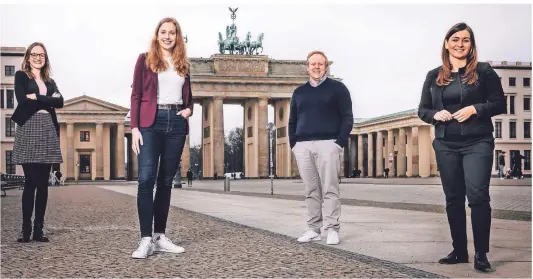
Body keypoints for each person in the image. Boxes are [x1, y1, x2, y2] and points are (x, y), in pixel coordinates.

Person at [417, 23, 506, 272]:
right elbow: (422, 110)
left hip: (478, 141)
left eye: (466, 40)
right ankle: (459, 251)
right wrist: (436, 114)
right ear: (446, 43)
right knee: (453, 198)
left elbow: (499, 103)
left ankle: (481, 254)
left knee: (478, 195)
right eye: (455, 39)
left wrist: (476, 108)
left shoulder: (484, 71)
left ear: (471, 44)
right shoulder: (433, 75)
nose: (460, 44)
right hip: (446, 143)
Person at [130, 17, 193, 259]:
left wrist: (188, 110)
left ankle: (159, 236)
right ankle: (145, 239)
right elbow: (136, 94)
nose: (168, 36)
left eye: (172, 33)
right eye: (163, 32)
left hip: (176, 122)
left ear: (177, 37)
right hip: (150, 122)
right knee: (146, 180)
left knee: (166, 181)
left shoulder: (182, 64)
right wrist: (134, 127)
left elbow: (189, 97)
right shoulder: (144, 60)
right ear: (157, 35)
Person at [289, 50, 353, 245]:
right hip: (303, 146)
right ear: (307, 67)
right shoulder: (299, 92)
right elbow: (292, 120)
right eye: (312, 64)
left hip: (328, 144)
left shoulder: (338, 88)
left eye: (320, 64)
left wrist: (339, 142)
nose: (316, 67)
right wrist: (294, 144)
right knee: (311, 190)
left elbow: (347, 117)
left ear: (326, 67)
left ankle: (332, 228)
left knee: (330, 189)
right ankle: (313, 229)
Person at [11, 42, 63, 243]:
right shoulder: (21, 76)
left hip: (48, 129)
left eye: (42, 55)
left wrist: (38, 97)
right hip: (29, 128)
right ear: (28, 56)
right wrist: (47, 99)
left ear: (45, 58)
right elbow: (22, 100)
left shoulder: (50, 81)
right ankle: (26, 230)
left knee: (43, 184)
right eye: (35, 54)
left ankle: (38, 230)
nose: (38, 57)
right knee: (31, 182)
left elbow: (60, 102)